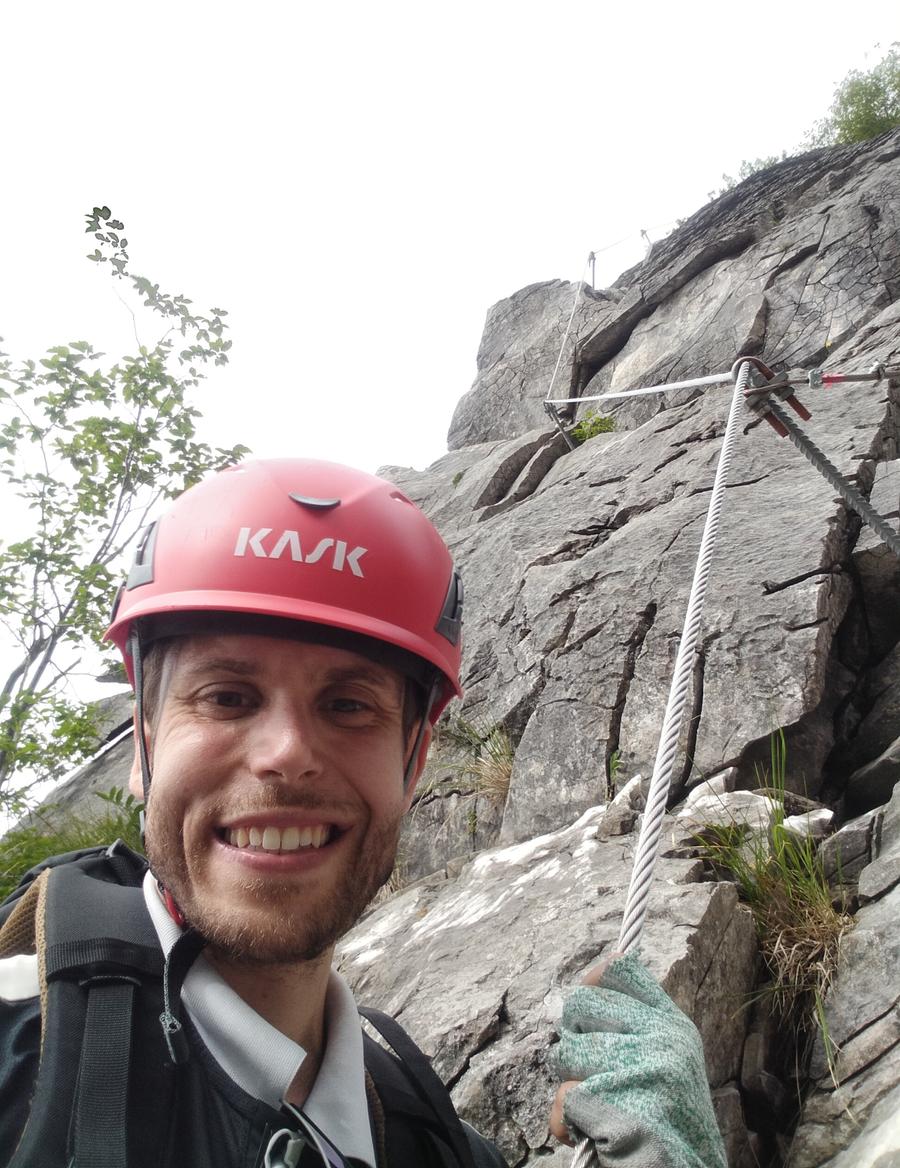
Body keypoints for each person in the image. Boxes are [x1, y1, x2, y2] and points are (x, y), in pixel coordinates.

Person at [0, 458, 726, 1168]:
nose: (286, 753)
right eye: (227, 697)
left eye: (348, 705)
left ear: (414, 763)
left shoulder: (425, 1136)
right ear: (145, 745)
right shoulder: (18, 1049)